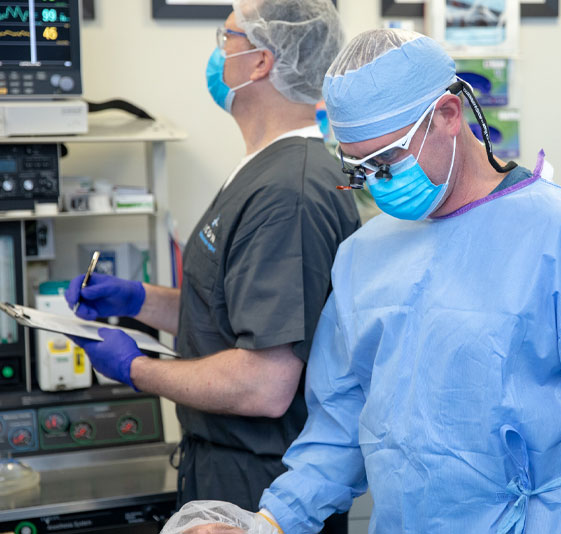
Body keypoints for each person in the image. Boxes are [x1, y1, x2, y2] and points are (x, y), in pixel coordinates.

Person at [164, 29, 561, 534]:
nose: (379, 181)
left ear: (449, 116)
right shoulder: (363, 257)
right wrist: (271, 522)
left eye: (387, 159)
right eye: (361, 168)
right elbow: (339, 427)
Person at [66, 1, 360, 532]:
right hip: (227, 468)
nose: (217, 51)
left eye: (225, 36)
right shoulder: (265, 168)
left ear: (260, 62)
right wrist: (140, 301)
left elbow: (265, 384)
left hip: (260, 487)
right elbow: (234, 313)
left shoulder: (288, 190)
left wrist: (135, 370)